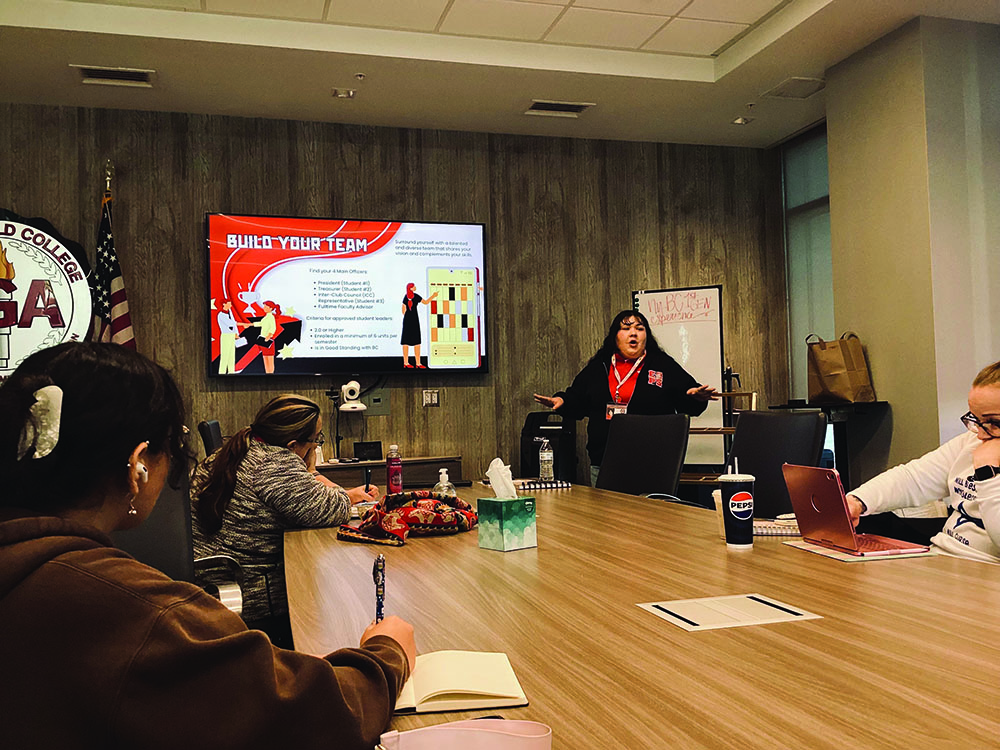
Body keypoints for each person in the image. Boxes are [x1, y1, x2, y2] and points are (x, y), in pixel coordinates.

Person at [0, 342, 414, 749]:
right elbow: (310, 718)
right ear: (138, 466)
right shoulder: (138, 614)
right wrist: (386, 654)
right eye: (174, 444)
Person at [192, 393, 380, 647]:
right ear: (292, 445)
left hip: (210, 580)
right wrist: (311, 470)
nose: (316, 446)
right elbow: (331, 508)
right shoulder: (275, 463)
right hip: (252, 595)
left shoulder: (240, 448)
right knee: (340, 600)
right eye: (315, 441)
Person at [534, 309, 718, 485]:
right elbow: (578, 401)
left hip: (654, 463)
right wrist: (562, 401)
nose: (634, 333)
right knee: (607, 515)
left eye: (639, 328)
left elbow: (687, 397)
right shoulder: (599, 367)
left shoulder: (662, 365)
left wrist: (694, 397)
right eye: (626, 328)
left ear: (647, 336)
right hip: (605, 460)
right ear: (615, 336)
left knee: (651, 516)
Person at [845, 360, 1000, 562]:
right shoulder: (970, 442)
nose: (980, 434)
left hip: (984, 573)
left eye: (993, 422)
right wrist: (856, 502)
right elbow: (914, 478)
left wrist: (988, 473)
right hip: (940, 558)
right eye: (976, 419)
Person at [400, 282, 438, 368]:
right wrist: (433, 296)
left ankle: (407, 363)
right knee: (413, 341)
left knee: (410, 341)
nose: (415, 287)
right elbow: (425, 302)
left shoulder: (409, 296)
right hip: (414, 320)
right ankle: (416, 363)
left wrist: (407, 315)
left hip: (408, 320)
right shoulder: (413, 296)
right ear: (411, 288)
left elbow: (403, 310)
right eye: (413, 287)